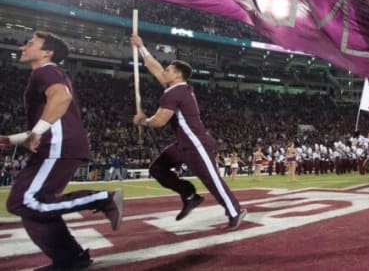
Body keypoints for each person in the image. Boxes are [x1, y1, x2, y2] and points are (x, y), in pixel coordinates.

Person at [0, 31, 122, 270]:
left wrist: (36, 132)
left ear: (47, 52)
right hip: (59, 144)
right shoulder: (49, 72)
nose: (23, 47)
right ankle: (71, 258)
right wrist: (11, 139)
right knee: (34, 209)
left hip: (57, 146)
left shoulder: (46, 71)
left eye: (30, 43)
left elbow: (61, 98)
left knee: (23, 202)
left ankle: (104, 199)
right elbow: (51, 117)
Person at [130, 34, 246, 229]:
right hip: (183, 145)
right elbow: (155, 68)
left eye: (168, 70)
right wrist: (141, 47)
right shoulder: (177, 87)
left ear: (177, 75)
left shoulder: (175, 92)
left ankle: (235, 211)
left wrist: (142, 121)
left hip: (196, 143)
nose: (164, 72)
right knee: (157, 169)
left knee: (211, 179)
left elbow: (159, 121)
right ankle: (189, 194)